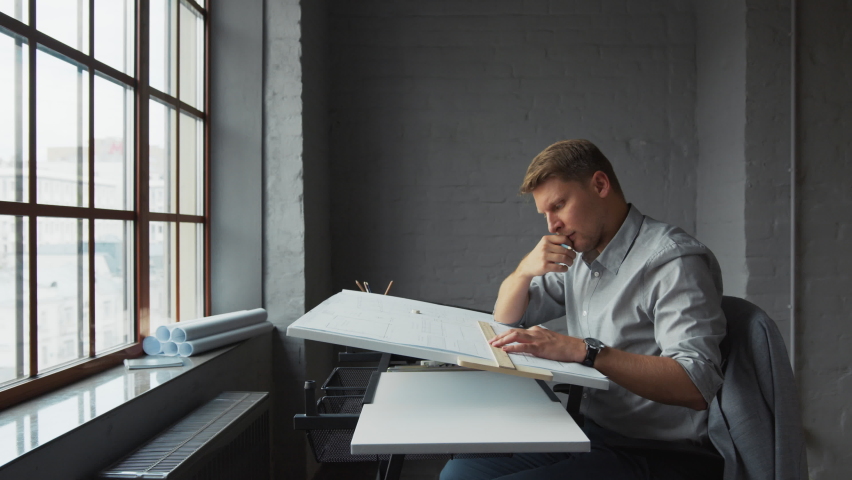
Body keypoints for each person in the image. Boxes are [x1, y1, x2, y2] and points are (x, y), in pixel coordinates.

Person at [441, 139, 726, 480]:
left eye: (559, 205)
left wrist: (582, 351)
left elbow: (696, 384)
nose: (552, 226)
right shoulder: (582, 258)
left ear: (600, 185)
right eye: (545, 213)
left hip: (660, 451)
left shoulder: (673, 261)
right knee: (458, 474)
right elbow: (507, 318)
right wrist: (524, 271)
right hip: (592, 432)